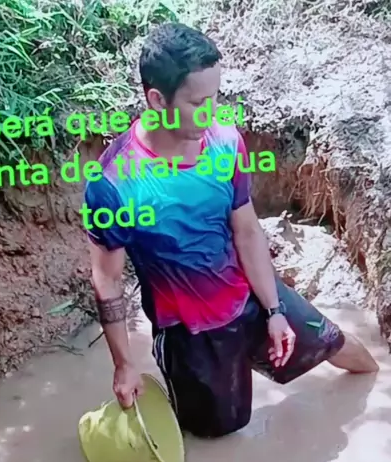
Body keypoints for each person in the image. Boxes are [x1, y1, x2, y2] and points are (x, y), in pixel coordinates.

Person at [84, 22, 378, 439]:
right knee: (217, 433)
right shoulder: (114, 183)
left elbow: (247, 231)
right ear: (157, 100)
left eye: (215, 97)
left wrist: (274, 310)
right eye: (197, 102)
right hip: (191, 335)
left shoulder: (224, 142)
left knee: (341, 348)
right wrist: (124, 364)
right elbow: (107, 280)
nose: (210, 112)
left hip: (250, 297)